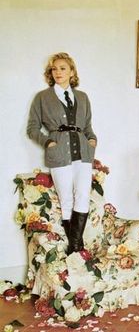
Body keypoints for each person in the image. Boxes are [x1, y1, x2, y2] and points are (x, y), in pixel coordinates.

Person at [27, 52, 97, 254]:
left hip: (83, 153)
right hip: (59, 154)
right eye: (54, 69)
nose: (58, 72)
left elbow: (88, 126)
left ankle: (74, 248)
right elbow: (32, 128)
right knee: (66, 199)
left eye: (62, 68)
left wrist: (92, 140)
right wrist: (48, 141)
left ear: (72, 71)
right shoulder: (43, 97)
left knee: (82, 196)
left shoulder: (83, 97)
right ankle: (78, 249)